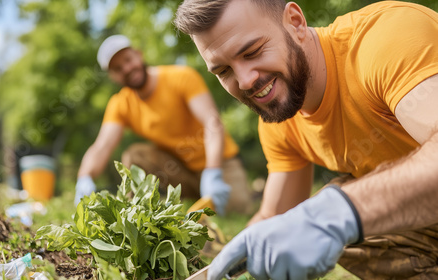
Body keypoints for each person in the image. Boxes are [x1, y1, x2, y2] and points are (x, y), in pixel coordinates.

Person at [174, 0, 438, 279]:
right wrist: (213, 268)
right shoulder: (280, 118)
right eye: (223, 71)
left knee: (339, 204)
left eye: (252, 52)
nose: (245, 81)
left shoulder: (387, 37)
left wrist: (334, 214)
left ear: (296, 22)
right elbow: (274, 221)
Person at [74, 34, 253, 216]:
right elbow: (102, 146)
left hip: (219, 163)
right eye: (118, 68)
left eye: (128, 60)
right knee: (135, 156)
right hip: (177, 170)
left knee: (235, 210)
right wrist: (84, 177)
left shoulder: (181, 77)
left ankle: (212, 190)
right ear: (113, 76)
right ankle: (135, 216)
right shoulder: (121, 104)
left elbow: (212, 123)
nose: (127, 69)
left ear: (138, 55)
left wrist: (213, 172)